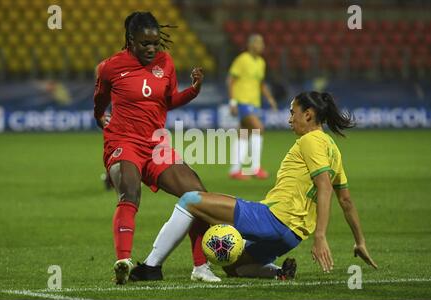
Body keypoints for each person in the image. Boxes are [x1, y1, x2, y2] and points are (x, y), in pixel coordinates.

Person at [130, 91, 378, 281]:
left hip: (273, 219)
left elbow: (323, 187)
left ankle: (152, 266)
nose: (289, 119)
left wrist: (321, 236)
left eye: (293, 113)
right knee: (232, 266)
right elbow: (345, 200)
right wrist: (360, 241)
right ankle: (277, 272)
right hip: (291, 237)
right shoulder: (333, 149)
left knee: (190, 200)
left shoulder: (310, 141)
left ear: (309, 115)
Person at [93, 11, 220, 284]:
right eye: (144, 43)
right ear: (130, 40)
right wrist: (99, 116)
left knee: (197, 194)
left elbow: (168, 100)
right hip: (123, 141)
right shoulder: (111, 67)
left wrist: (193, 90)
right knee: (130, 190)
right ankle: (124, 261)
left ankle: (200, 267)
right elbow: (100, 100)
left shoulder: (166, 62)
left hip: (155, 144)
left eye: (155, 43)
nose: (151, 49)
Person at [228, 34, 278, 180]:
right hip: (243, 101)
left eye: (262, 43)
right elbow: (231, 80)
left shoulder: (261, 62)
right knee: (258, 128)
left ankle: (235, 170)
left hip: (255, 103)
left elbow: (261, 83)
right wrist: (232, 102)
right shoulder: (242, 59)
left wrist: (269, 98)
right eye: (258, 42)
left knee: (244, 134)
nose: (261, 45)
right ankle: (255, 168)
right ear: (250, 45)